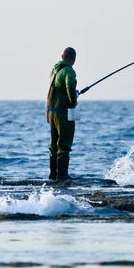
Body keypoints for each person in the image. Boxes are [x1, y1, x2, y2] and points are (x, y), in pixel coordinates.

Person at [46, 47, 79, 180]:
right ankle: (62, 175)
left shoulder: (54, 70)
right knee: (64, 143)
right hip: (63, 113)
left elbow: (59, 87)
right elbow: (69, 87)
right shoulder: (69, 71)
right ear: (73, 59)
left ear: (62, 56)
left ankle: (53, 174)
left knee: (54, 144)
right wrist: (73, 101)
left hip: (51, 112)